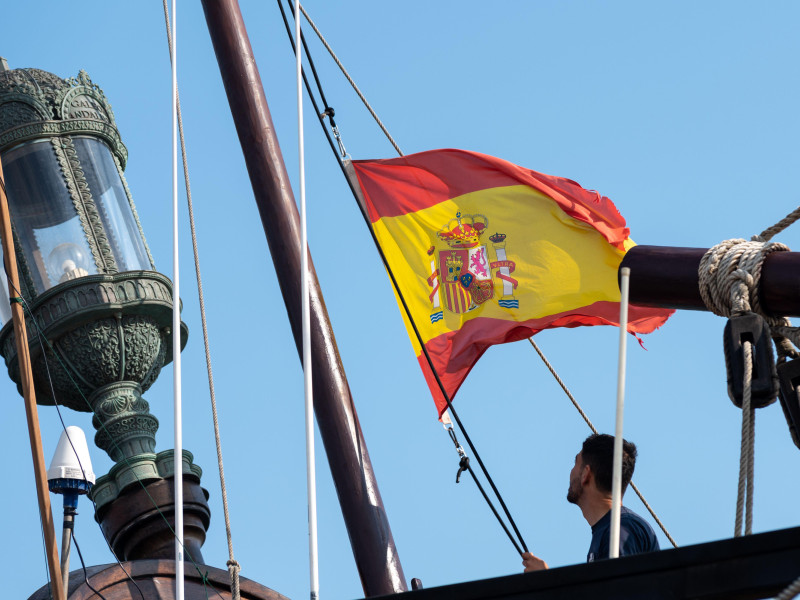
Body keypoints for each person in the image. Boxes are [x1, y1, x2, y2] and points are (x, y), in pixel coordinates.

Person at [522, 433, 659, 572]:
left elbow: (615, 591)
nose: (571, 471)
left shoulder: (619, 529)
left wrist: (547, 582)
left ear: (585, 474)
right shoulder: (613, 528)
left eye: (576, 463)